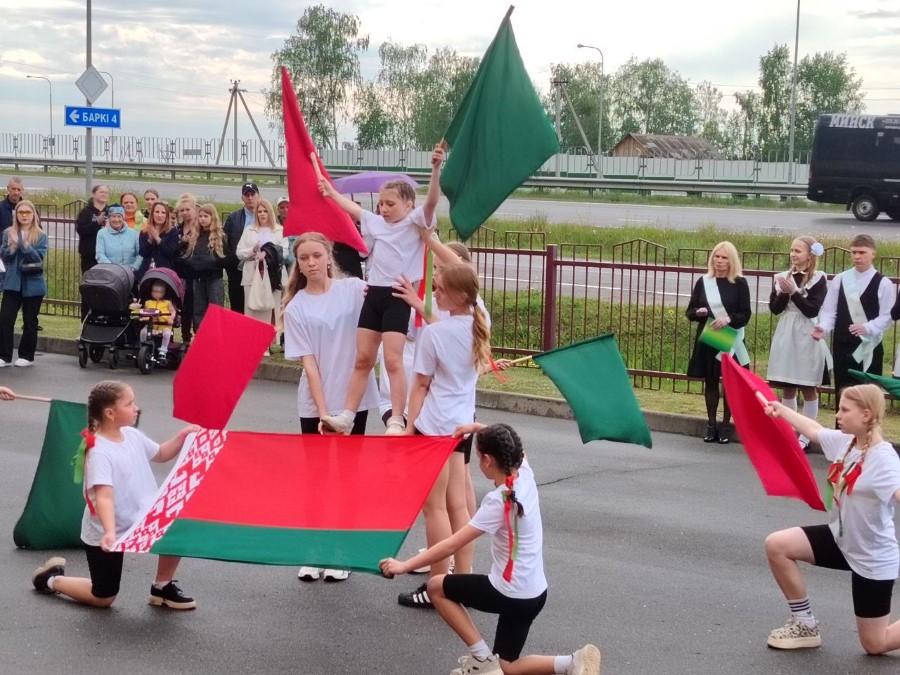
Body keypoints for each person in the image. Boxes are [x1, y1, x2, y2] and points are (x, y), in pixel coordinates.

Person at [380, 423, 602, 675]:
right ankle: (571, 662)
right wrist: (478, 428)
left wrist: (405, 565)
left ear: (487, 460)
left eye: (478, 457)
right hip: (535, 593)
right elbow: (515, 444)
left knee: (436, 587)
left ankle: (482, 658)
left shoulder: (499, 501)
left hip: (509, 593)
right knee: (508, 666)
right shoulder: (525, 474)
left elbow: (452, 544)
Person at [31, 380, 199, 610]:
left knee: (177, 525)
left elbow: (160, 453)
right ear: (110, 413)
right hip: (108, 531)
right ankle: (51, 579)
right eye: (129, 404)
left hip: (143, 519)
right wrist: (110, 532)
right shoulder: (99, 452)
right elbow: (104, 498)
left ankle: (162, 587)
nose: (136, 408)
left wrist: (182, 437)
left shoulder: (131, 435)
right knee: (103, 598)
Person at [762, 384, 900, 654]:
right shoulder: (846, 443)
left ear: (866, 415)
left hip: (872, 558)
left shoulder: (883, 459)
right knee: (777, 545)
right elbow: (814, 431)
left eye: (844, 410)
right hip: (841, 540)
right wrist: (781, 410)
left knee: (875, 644)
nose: (838, 415)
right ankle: (805, 625)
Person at [319, 146, 443, 435]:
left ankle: (397, 419)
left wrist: (436, 169)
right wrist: (329, 191)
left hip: (397, 296)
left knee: (392, 361)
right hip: (373, 295)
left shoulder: (416, 222)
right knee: (362, 359)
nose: (384, 209)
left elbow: (432, 201)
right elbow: (350, 208)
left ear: (408, 205)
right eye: (382, 204)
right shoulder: (376, 222)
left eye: (390, 204)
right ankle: (347, 416)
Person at [282, 232, 378, 583]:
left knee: (348, 478)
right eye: (304, 258)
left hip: (354, 401)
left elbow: (383, 300)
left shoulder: (353, 289)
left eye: (316, 256)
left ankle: (343, 552)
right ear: (297, 263)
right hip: (315, 404)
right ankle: (314, 552)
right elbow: (309, 365)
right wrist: (324, 414)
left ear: (328, 257)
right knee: (317, 478)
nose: (311, 263)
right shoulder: (296, 307)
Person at [396, 263, 491, 608]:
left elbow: (420, 385)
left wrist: (408, 427)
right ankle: (462, 581)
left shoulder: (434, 334)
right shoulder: (481, 320)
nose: (434, 293)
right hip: (461, 425)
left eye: (439, 288)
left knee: (434, 508)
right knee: (458, 506)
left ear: (460, 295)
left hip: (435, 427)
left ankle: (438, 588)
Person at [812, 234, 893, 413]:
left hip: (869, 347)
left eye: (862, 252)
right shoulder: (841, 279)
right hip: (842, 345)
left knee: (867, 397)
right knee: (843, 393)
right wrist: (823, 327)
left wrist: (867, 327)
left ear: (873, 254)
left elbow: (887, 316)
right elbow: (829, 311)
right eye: (854, 252)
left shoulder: (884, 283)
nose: (857, 256)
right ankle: (842, 430)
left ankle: (868, 431)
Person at [685, 241, 751, 444]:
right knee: (711, 381)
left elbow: (745, 314)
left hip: (731, 338)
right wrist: (698, 312)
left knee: (729, 383)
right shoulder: (704, 282)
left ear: (732, 261)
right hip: (709, 337)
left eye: (724, 257)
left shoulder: (739, 283)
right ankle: (711, 424)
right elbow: (690, 311)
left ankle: (725, 426)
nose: (720, 261)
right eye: (717, 256)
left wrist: (728, 319)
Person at [766, 237, 828, 449]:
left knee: (808, 386)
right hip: (787, 332)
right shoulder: (781, 277)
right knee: (788, 386)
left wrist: (794, 292)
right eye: (792, 250)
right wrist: (784, 292)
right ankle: (790, 432)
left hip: (807, 332)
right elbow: (775, 309)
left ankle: (806, 435)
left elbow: (812, 309)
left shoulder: (818, 279)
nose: (793, 254)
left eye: (798, 251)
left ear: (809, 255)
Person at [0, 200, 47, 367]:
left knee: (30, 321)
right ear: (16, 215)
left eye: (28, 212)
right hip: (12, 283)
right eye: (21, 212)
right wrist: (12, 247)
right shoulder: (8, 233)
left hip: (33, 284)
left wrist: (25, 245)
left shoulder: (40, 235)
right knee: (5, 319)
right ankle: (4, 356)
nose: (24, 215)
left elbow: (38, 258)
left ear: (33, 215)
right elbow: (4, 255)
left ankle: (27, 355)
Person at [235, 198, 287, 350]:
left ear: (270, 212)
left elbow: (284, 251)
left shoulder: (279, 230)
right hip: (252, 273)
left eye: (265, 211)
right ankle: (254, 341)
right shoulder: (249, 230)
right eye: (259, 211)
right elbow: (239, 252)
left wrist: (268, 254)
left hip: (273, 274)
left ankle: (269, 341)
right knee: (252, 307)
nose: (262, 214)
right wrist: (253, 250)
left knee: (272, 307)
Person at [181, 204, 226, 331]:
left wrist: (204, 263)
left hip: (214, 279)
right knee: (198, 310)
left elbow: (222, 259)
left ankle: (216, 334)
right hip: (198, 279)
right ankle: (199, 334)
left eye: (206, 216)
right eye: (200, 216)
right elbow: (187, 257)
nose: (202, 219)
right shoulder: (195, 236)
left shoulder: (220, 236)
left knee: (215, 309)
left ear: (212, 217)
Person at [223, 182, 261, 314]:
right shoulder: (232, 218)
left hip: (259, 269)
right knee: (237, 306)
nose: (250, 198)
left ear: (258, 196)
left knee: (256, 306)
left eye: (252, 194)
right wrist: (229, 265)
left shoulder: (265, 215)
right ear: (242, 198)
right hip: (236, 270)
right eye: (247, 195)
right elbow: (225, 243)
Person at [175, 194, 199, 344]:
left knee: (195, 305)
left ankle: (198, 335)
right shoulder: (177, 228)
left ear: (194, 209)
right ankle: (185, 336)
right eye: (182, 210)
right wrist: (181, 243)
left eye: (187, 209)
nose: (185, 213)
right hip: (180, 271)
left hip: (196, 272)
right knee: (184, 306)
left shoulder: (200, 226)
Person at [137, 202, 181, 280]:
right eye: (157, 212)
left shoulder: (173, 232)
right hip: (146, 271)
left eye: (163, 212)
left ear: (167, 216)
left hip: (165, 273)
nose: (160, 215)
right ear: (152, 214)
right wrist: (150, 240)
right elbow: (142, 253)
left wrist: (158, 239)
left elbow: (171, 253)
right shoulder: (144, 231)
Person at [135, 281, 176, 365]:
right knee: (143, 332)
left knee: (167, 334)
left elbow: (173, 311)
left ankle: (163, 351)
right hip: (152, 324)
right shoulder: (148, 302)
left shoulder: (167, 302)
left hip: (164, 325)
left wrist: (171, 318)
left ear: (163, 293)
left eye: (159, 292)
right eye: (154, 291)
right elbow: (145, 312)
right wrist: (143, 317)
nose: (156, 293)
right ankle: (143, 346)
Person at [95, 204, 141, 273]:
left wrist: (134, 267)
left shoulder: (133, 233)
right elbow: (100, 254)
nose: (116, 220)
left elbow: (139, 254)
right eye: (113, 216)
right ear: (109, 218)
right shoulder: (102, 233)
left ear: (123, 218)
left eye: (119, 216)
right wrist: (113, 269)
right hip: (111, 273)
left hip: (131, 273)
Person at [75, 184, 110, 273]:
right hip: (89, 255)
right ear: (94, 194)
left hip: (108, 256)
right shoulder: (85, 212)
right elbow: (81, 230)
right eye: (101, 192)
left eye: (106, 193)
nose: (104, 194)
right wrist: (97, 223)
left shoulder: (111, 211)